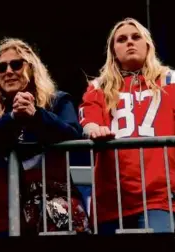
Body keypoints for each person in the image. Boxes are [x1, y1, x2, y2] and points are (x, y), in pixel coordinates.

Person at [0, 38, 91, 237]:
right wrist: (12, 118)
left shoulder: (58, 100)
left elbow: (73, 134)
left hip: (52, 211)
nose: (8, 71)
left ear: (32, 68)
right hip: (0, 212)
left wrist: (37, 115)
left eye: (16, 64)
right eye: (1, 67)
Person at [79, 17, 175, 234]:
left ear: (148, 44)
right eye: (121, 39)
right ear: (113, 50)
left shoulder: (171, 81)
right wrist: (94, 129)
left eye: (136, 37)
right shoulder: (98, 87)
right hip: (111, 198)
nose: (129, 42)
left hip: (158, 196)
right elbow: (88, 118)